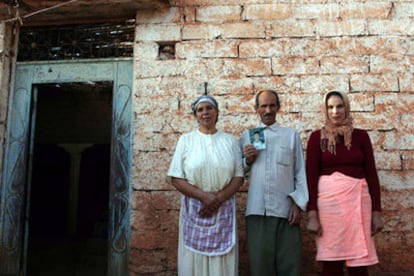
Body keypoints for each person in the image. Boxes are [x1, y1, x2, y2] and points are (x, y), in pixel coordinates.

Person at [306, 90, 383, 276]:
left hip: (358, 204)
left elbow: (372, 174)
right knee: (331, 262)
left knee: (359, 263)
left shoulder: (361, 136)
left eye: (339, 106)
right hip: (329, 208)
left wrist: (377, 212)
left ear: (346, 107)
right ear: (325, 110)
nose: (335, 111)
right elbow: (310, 176)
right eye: (330, 107)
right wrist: (312, 214)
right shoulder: (317, 138)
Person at [167, 95, 244, 276]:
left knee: (222, 262)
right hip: (195, 207)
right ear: (195, 115)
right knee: (193, 262)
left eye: (209, 108)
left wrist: (216, 200)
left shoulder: (230, 141)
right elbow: (176, 178)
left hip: (223, 207)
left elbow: (238, 177)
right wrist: (204, 197)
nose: (205, 113)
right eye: (200, 110)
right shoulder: (186, 140)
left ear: (217, 112)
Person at [239, 89, 308, 276]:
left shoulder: (291, 135)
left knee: (290, 268)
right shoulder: (247, 136)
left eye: (271, 105)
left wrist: (298, 204)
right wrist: (247, 160)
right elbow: (238, 174)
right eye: (263, 106)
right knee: (260, 269)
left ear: (278, 107)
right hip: (257, 211)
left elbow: (300, 172)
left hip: (286, 212)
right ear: (256, 109)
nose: (268, 110)